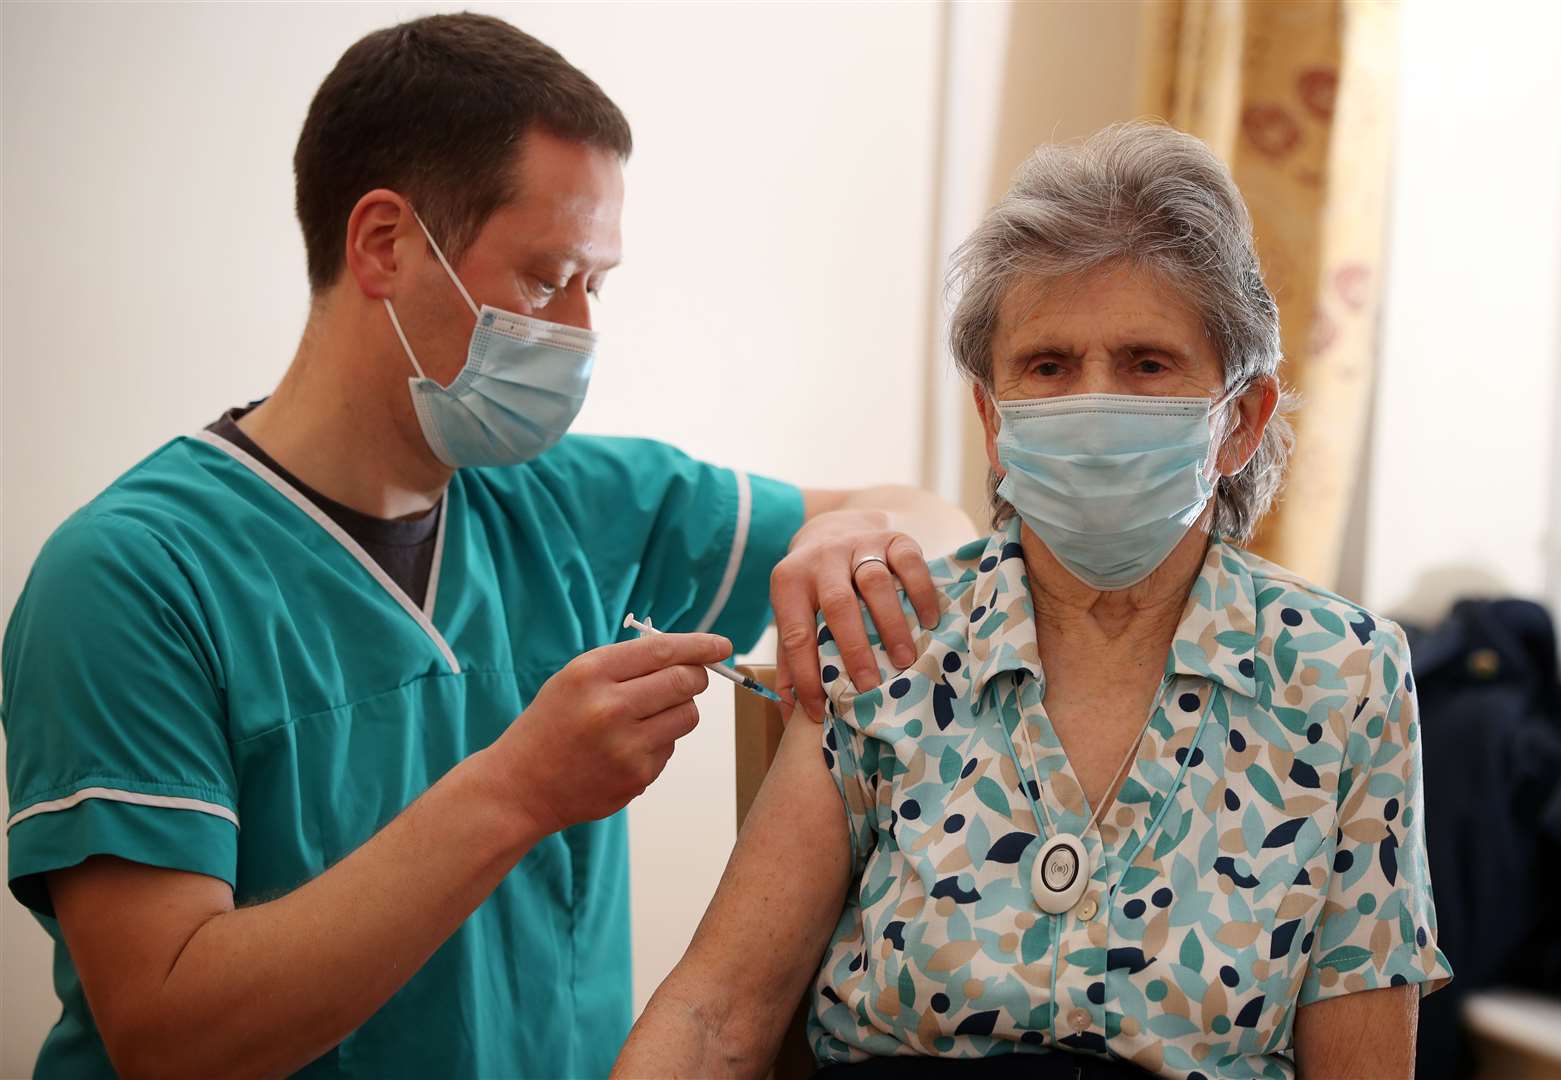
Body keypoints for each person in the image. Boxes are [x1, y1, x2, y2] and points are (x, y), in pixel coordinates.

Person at [0, 14, 971, 1078]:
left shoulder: (568, 502)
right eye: (548, 276)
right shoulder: (132, 579)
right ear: (384, 243)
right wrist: (517, 790)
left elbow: (931, 519)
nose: (583, 331)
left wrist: (848, 537)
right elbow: (167, 1032)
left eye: (596, 283)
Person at [616, 123, 1452, 1079]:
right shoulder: (894, 638)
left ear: (1240, 421)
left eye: (1147, 364)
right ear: (993, 417)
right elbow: (717, 1015)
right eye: (1048, 367)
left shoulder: (1341, 674)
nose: (1093, 405)